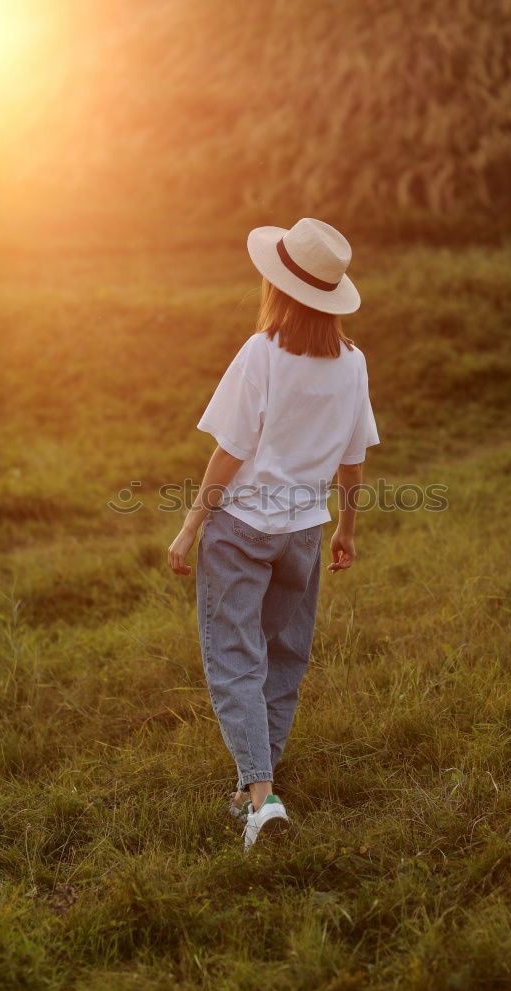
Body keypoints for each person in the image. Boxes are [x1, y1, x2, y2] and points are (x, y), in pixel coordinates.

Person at [167, 217, 380, 852]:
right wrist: (344, 526)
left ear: (280, 287)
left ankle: (261, 798)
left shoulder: (262, 352)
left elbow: (231, 451)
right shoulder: (353, 362)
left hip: (241, 529)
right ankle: (250, 793)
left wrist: (189, 524)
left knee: (236, 657)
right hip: (303, 535)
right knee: (283, 658)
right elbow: (353, 456)